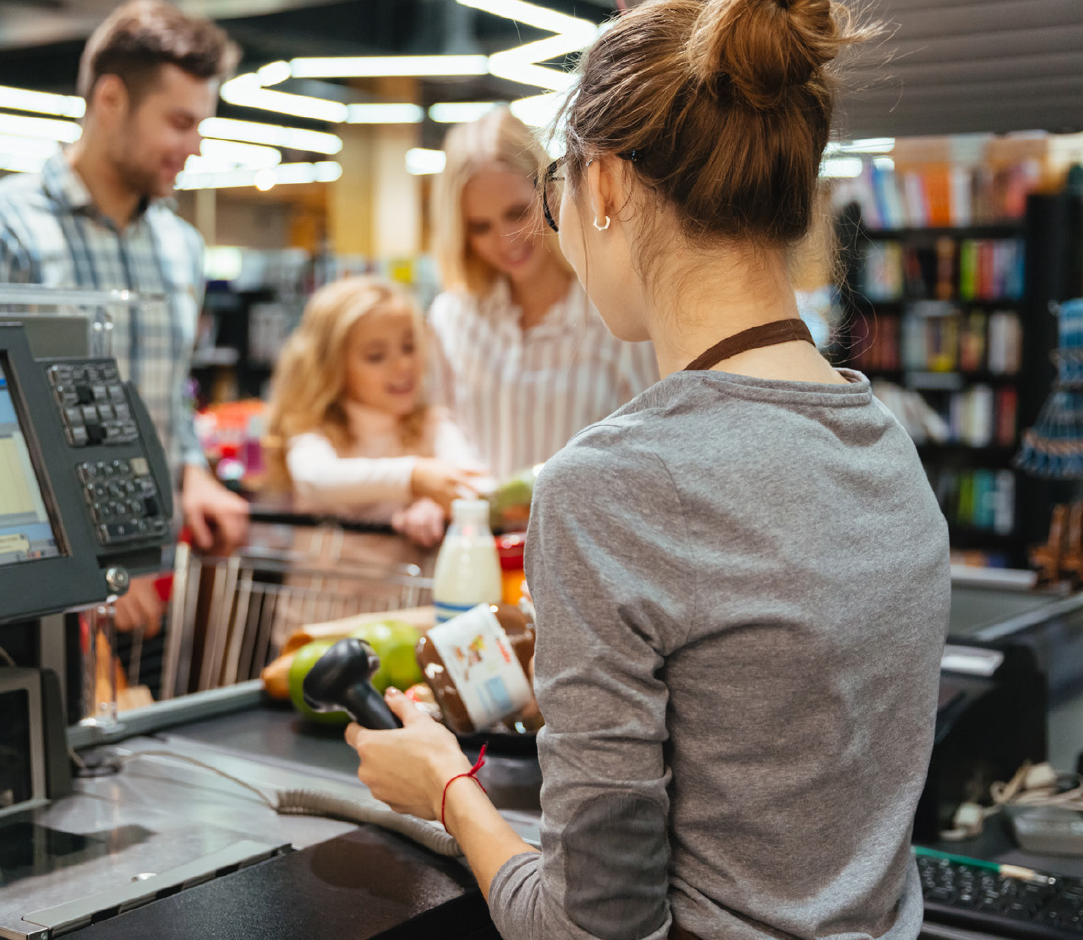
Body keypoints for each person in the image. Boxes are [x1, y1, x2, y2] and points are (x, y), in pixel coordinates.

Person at [345, 2, 950, 939]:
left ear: (609, 185)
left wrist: (447, 789)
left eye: (555, 188)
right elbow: (777, 744)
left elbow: (591, 927)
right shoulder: (885, 444)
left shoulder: (607, 486)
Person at [0, 0, 249, 635]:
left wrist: (193, 473)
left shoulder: (181, 246)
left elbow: (168, 396)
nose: (195, 146)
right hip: (28, 588)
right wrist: (86, 563)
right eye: (180, 122)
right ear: (111, 99)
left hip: (152, 575)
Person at [427, 108, 662, 481]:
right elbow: (436, 419)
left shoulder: (616, 313)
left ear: (552, 191)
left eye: (518, 213)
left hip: (587, 534)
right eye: (480, 226)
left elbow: (656, 439)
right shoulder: (451, 317)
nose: (505, 241)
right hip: (480, 535)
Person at [266, 276, 484, 549]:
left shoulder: (431, 425)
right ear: (332, 366)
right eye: (376, 356)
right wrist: (414, 477)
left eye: (409, 346)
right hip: (318, 591)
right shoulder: (312, 427)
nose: (403, 365)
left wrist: (436, 504)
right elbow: (316, 478)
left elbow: (477, 484)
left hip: (408, 591)